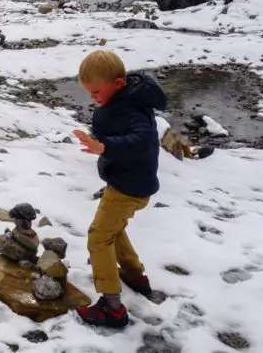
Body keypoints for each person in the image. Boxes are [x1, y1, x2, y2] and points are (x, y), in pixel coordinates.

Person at [72, 50, 165, 329]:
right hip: (132, 184)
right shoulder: (122, 101)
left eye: (96, 91)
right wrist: (97, 140)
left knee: (98, 237)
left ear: (118, 84)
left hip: (128, 187)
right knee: (115, 229)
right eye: (89, 92)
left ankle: (112, 307)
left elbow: (142, 140)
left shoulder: (131, 108)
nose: (93, 97)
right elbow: (114, 130)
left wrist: (105, 147)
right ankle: (135, 275)